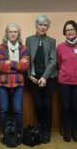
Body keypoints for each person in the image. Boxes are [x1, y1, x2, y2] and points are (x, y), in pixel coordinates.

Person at [0, 23, 30, 145]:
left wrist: (10, 62)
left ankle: (18, 132)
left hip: (18, 84)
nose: (13, 34)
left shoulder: (24, 49)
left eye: (15, 32)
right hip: (3, 84)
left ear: (18, 34)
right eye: (11, 32)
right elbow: (0, 66)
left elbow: (25, 66)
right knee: (4, 110)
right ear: (7, 34)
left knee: (17, 110)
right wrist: (17, 65)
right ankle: (4, 133)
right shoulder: (0, 48)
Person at [26, 15, 57, 144]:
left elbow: (53, 60)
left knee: (47, 104)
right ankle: (40, 128)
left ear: (48, 27)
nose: (42, 27)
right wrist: (29, 75)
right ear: (36, 25)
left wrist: (45, 77)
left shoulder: (51, 41)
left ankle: (46, 131)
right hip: (34, 78)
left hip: (49, 77)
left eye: (45, 25)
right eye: (40, 24)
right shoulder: (29, 40)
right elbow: (26, 59)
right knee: (38, 105)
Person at [57, 20, 77, 142]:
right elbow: (59, 64)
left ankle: (75, 130)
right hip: (64, 82)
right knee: (65, 107)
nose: (69, 31)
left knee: (76, 108)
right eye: (67, 30)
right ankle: (66, 130)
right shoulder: (60, 47)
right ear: (65, 32)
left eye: (72, 29)